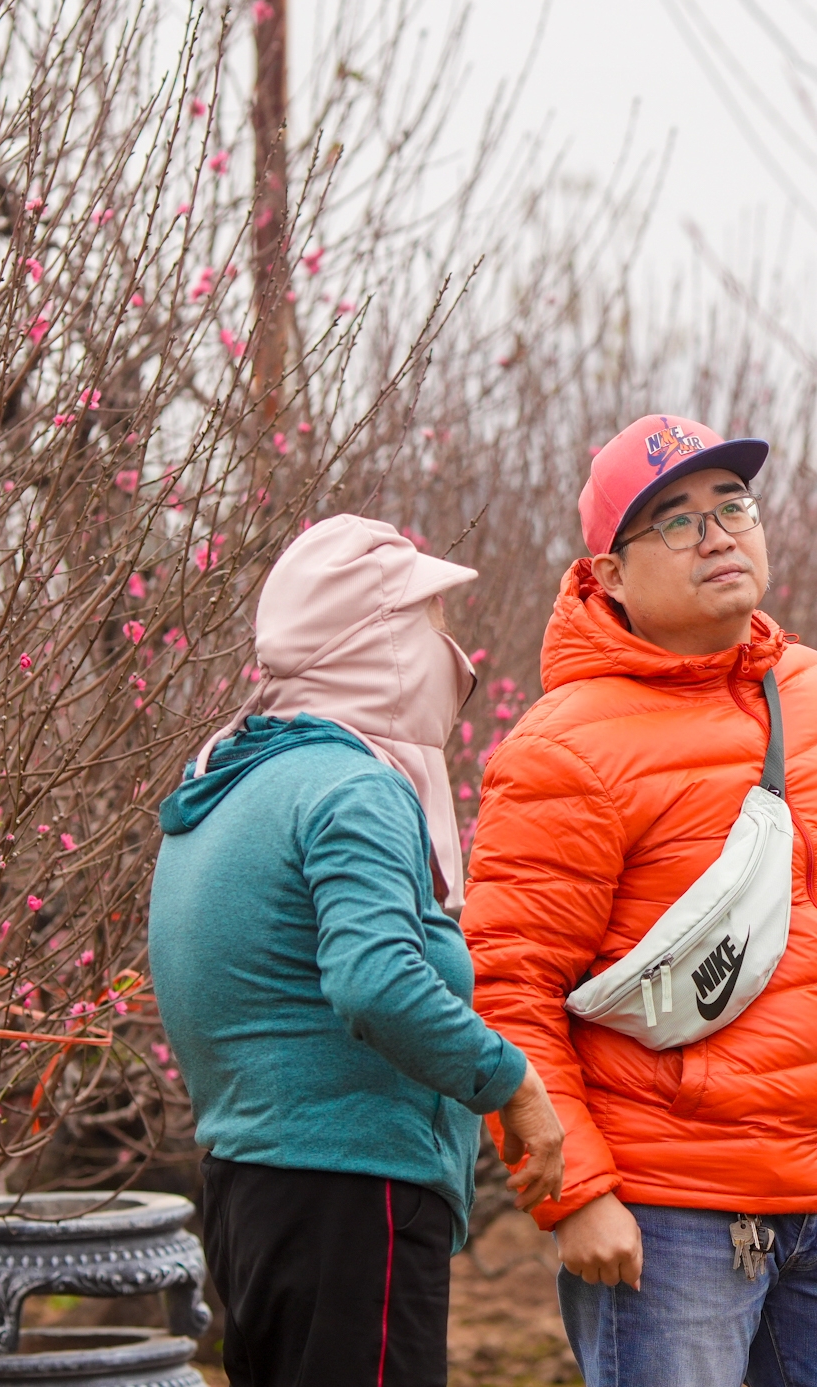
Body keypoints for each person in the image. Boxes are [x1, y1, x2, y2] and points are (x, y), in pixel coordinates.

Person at [465, 414, 817, 1387]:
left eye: (731, 505)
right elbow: (510, 992)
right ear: (611, 574)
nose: (714, 534)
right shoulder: (563, 750)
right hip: (671, 1212)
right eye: (672, 519)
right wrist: (574, 1194)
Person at [151, 514, 567, 1387]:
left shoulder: (232, 779)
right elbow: (375, 979)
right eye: (430, 625)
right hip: (352, 1203)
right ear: (378, 643)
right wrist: (513, 1082)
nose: (451, 651)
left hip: (251, 1194)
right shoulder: (353, 787)